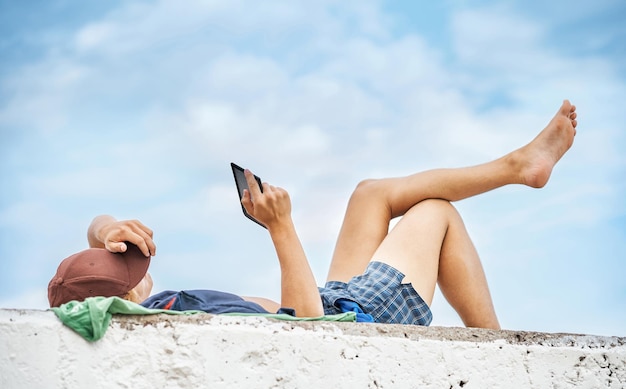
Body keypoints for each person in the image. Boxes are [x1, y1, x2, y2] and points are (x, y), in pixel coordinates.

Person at [48, 100, 578, 329]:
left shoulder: (145, 302)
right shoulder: (181, 316)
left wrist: (107, 228)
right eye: (130, 274)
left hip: (333, 301)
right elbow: (307, 329)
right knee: (435, 212)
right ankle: (494, 347)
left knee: (369, 193)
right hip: (348, 322)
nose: (142, 274)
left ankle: (519, 166)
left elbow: (87, 264)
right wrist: (281, 227)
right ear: (126, 297)